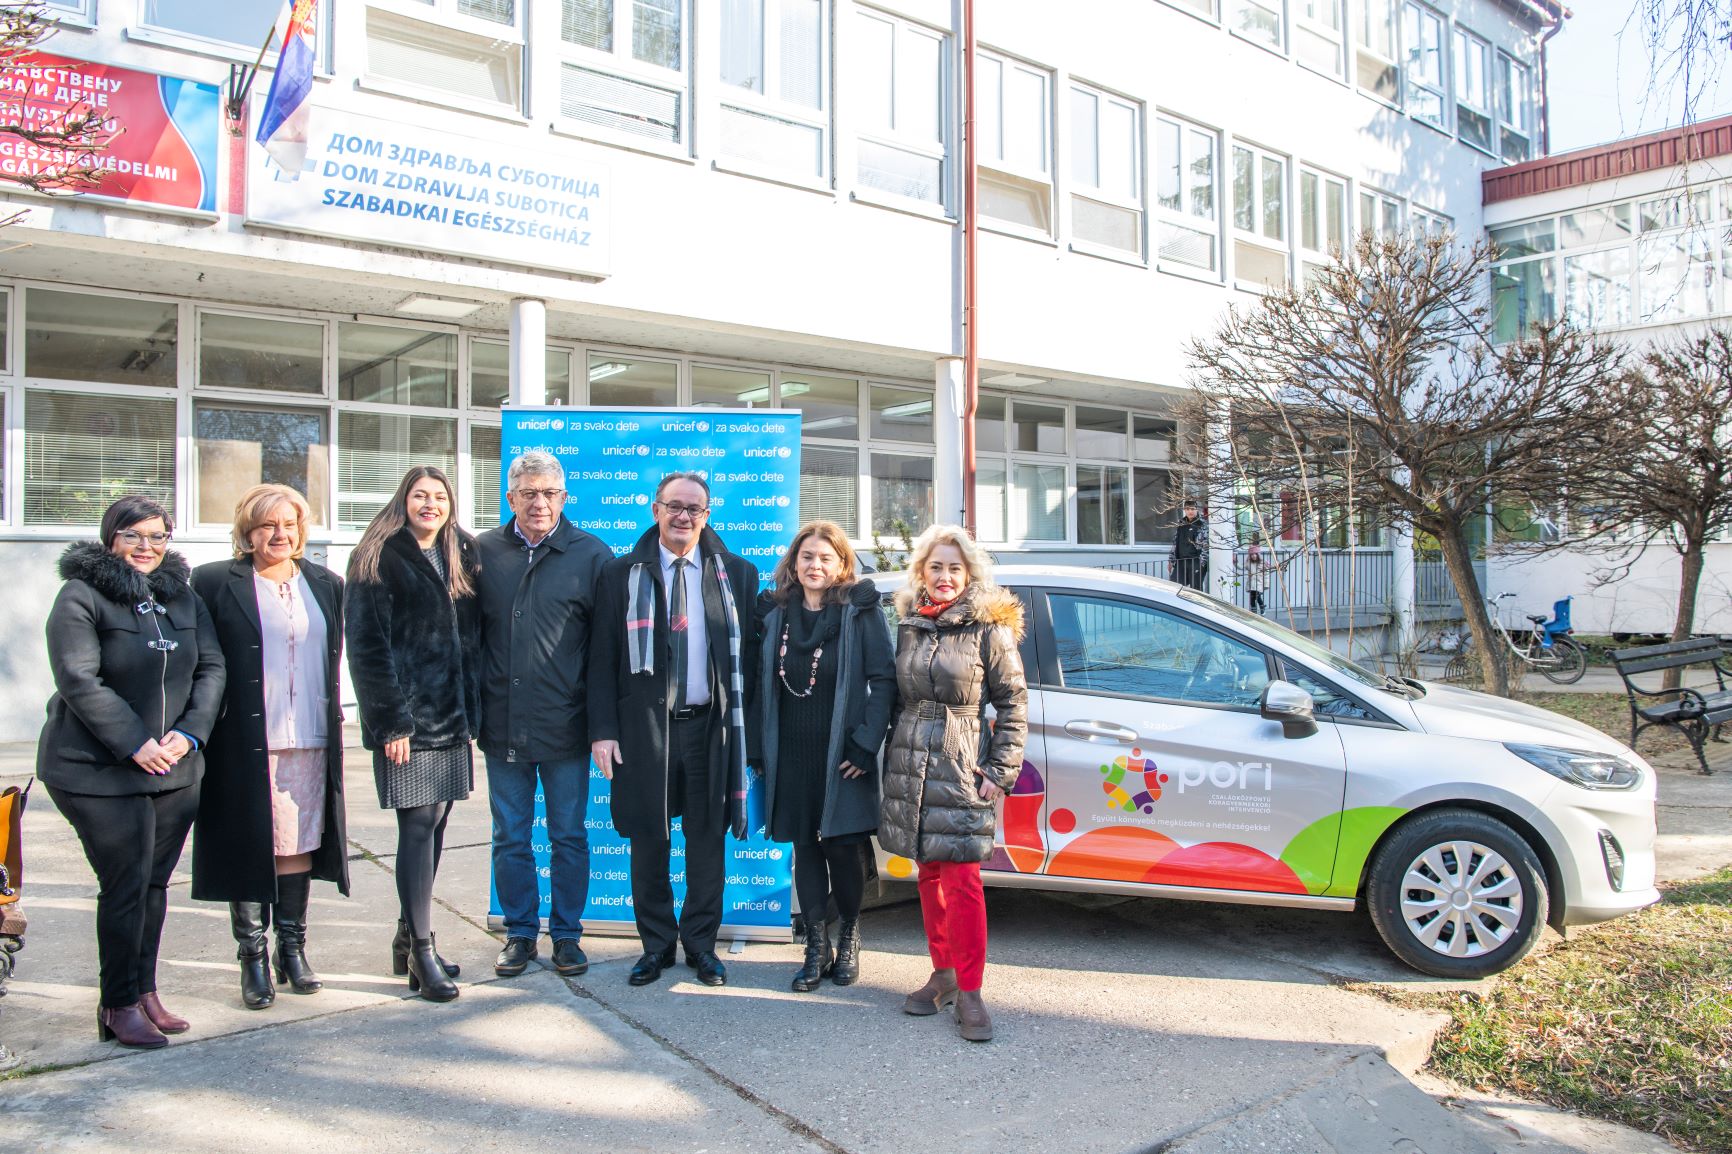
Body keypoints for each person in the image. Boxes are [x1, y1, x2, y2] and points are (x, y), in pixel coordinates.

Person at [38, 496, 226, 1048]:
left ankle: (144, 991)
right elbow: (79, 679)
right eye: (133, 536)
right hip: (97, 772)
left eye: (158, 536)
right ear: (110, 538)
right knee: (124, 886)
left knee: (153, 885)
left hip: (175, 768)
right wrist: (135, 743)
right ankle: (117, 1003)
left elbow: (212, 667)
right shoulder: (80, 595)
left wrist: (189, 734)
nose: (147, 547)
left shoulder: (181, 597)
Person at [589, 472, 759, 989]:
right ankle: (656, 947)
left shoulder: (738, 574)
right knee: (649, 841)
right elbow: (601, 659)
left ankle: (702, 947)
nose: (684, 516)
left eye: (695, 508)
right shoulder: (620, 575)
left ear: (708, 515)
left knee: (707, 843)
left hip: (711, 731)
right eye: (674, 506)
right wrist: (603, 730)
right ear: (655, 509)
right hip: (644, 731)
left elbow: (748, 659)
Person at [191, 485, 350, 1011]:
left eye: (289, 525)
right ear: (247, 531)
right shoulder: (215, 581)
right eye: (267, 526)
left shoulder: (327, 584)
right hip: (243, 737)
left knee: (299, 840)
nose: (279, 535)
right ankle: (252, 957)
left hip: (309, 733)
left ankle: (293, 948)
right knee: (250, 839)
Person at [881, 524, 1027, 1043]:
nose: (944, 576)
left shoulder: (989, 629)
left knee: (962, 882)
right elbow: (895, 698)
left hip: (961, 762)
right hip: (909, 763)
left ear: (969, 575)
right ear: (922, 572)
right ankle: (941, 973)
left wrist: (1000, 770)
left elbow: (1012, 703)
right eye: (935, 566)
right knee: (927, 874)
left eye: (954, 568)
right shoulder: (908, 625)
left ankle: (970, 990)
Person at [345, 466, 481, 1002]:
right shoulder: (376, 556)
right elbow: (366, 646)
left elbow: (471, 640)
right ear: (403, 500)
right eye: (420, 495)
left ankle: (408, 936)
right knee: (418, 826)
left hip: (453, 717)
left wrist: (472, 713)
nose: (431, 504)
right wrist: (390, 721)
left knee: (441, 820)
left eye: (440, 496)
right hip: (407, 720)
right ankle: (422, 952)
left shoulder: (461, 552)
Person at [475, 450, 611, 980]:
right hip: (501, 724)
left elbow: (605, 655)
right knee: (510, 835)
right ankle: (519, 934)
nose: (538, 502)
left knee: (568, 837)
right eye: (528, 492)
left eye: (549, 493)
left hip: (566, 727)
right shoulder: (482, 552)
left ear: (564, 498)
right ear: (510, 498)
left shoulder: (591, 555)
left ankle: (569, 937)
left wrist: (601, 728)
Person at [755, 521, 895, 992]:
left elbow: (884, 680)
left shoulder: (859, 611)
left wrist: (865, 742)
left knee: (842, 847)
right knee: (805, 846)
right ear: (794, 562)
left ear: (841, 566)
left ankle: (850, 934)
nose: (815, 565)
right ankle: (816, 944)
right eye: (807, 556)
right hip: (791, 753)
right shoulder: (775, 614)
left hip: (844, 754)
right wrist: (759, 749)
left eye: (826, 558)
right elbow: (759, 687)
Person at [1172, 500, 1208, 591]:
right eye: (1188, 509)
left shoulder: (1202, 524)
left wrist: (1202, 562)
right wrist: (1171, 559)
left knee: (1195, 589)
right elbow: (1175, 542)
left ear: (1197, 510)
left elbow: (1206, 544)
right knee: (1174, 586)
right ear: (1184, 510)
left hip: (1196, 561)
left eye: (1192, 509)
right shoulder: (1181, 523)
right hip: (1181, 561)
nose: (1190, 511)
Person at [1241, 536, 1270, 615]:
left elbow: (1266, 574)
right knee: (1252, 598)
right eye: (1252, 554)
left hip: (1258, 583)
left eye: (1255, 554)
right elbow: (1241, 567)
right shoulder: (1249, 563)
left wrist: (1266, 584)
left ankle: (1262, 607)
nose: (1254, 556)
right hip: (1251, 584)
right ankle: (1253, 611)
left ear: (1258, 555)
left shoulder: (1262, 563)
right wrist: (1235, 563)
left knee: (1257, 597)